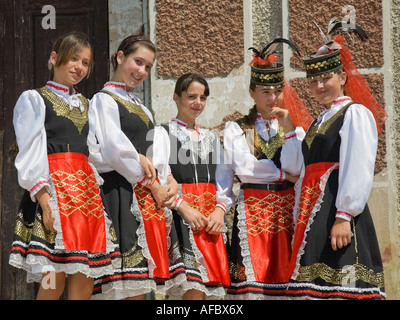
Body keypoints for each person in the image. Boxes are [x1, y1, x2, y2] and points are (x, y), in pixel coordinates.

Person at [9, 32, 117, 300]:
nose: (79, 67)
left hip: (86, 197)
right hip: (55, 192)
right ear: (54, 58)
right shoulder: (34, 99)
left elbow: (94, 154)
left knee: (84, 280)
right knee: (51, 280)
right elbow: (30, 152)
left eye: (85, 62)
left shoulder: (86, 104)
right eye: (73, 59)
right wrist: (46, 202)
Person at [286, 20, 387, 300]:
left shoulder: (354, 114)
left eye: (326, 78)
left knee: (340, 287)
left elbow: (358, 164)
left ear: (342, 78)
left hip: (334, 209)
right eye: (314, 80)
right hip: (312, 212)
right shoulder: (319, 120)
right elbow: (297, 169)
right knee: (315, 289)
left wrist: (344, 215)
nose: (319, 85)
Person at [88, 35, 185, 300]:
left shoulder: (142, 107)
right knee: (123, 285)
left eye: (148, 67)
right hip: (119, 193)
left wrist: (167, 179)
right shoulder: (104, 100)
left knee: (141, 285)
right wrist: (150, 182)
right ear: (120, 57)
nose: (141, 71)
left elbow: (154, 150)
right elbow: (112, 147)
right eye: (137, 62)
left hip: (145, 198)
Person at [223, 38, 312, 299]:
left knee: (287, 280)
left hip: (287, 211)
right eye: (265, 92)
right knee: (253, 283)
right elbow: (246, 168)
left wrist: (288, 129)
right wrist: (284, 175)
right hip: (253, 210)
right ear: (252, 92)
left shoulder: (294, 129)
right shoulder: (239, 129)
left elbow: (297, 165)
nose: (273, 98)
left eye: (277, 91)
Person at [155, 73, 235, 300]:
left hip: (210, 222)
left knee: (211, 296)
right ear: (176, 97)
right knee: (191, 293)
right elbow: (159, 178)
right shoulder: (162, 133)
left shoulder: (211, 138)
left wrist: (220, 211)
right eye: (191, 96)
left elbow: (224, 181)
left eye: (202, 97)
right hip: (181, 220)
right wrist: (184, 208)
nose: (198, 103)